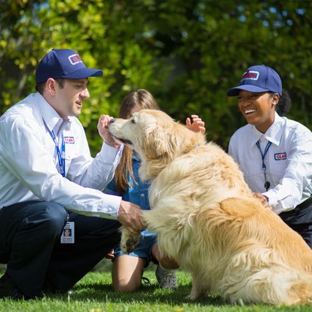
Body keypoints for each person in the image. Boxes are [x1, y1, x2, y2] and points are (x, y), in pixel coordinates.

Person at [0, 49, 145, 300]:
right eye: (79, 86)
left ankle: (48, 282)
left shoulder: (71, 123)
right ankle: (15, 287)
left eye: (86, 86)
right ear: (52, 86)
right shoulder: (19, 122)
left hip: (46, 221)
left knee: (109, 220)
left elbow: (84, 183)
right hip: (9, 223)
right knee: (51, 213)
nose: (86, 94)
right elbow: (50, 187)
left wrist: (110, 148)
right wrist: (117, 205)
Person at [105, 89, 206, 292]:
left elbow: (195, 176)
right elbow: (107, 198)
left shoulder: (170, 156)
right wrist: (104, 239)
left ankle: (164, 269)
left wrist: (191, 138)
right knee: (124, 287)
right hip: (132, 234)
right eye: (133, 120)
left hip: (162, 235)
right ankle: (135, 266)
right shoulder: (115, 157)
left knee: (170, 257)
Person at [227, 64, 312, 247]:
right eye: (241, 97)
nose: (245, 103)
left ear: (274, 99)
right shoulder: (238, 139)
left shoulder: (299, 135)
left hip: (302, 222)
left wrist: (267, 199)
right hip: (257, 223)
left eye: (254, 96)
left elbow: (294, 184)